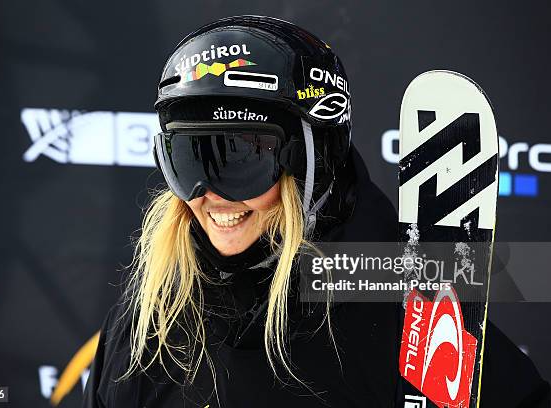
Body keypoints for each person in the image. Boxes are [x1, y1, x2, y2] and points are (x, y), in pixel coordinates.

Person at [82, 15, 550, 407]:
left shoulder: (396, 305)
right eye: (186, 162)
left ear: (312, 161)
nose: (210, 195)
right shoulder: (153, 320)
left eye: (240, 161)